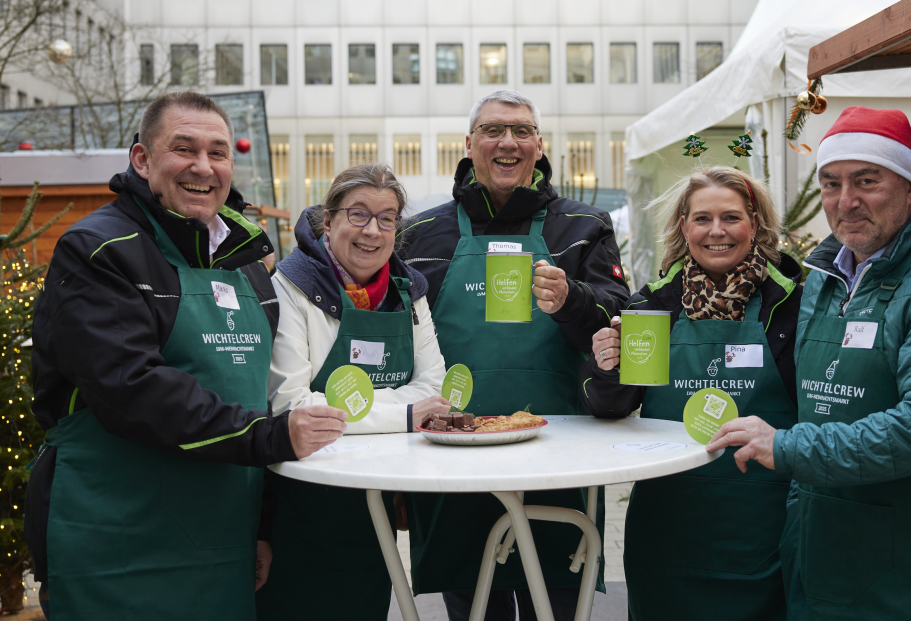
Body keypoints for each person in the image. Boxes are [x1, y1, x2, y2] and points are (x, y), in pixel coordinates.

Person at [24, 92, 348, 620]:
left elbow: (259, 395)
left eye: (218, 152)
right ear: (142, 160)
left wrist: (262, 526)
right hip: (116, 538)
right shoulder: (98, 249)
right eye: (184, 149)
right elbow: (131, 388)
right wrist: (268, 437)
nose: (204, 166)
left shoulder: (247, 265)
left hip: (222, 538)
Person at [708, 106, 911, 621]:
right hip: (828, 543)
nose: (845, 202)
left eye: (866, 181)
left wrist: (785, 446)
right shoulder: (824, 279)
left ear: (910, 188)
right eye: (830, 184)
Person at [398, 90, 630, 620]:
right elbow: (399, 337)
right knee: (473, 602)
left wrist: (572, 299)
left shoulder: (583, 227)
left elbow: (619, 318)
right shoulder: (418, 233)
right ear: (469, 144)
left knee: (558, 597)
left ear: (540, 145)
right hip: (451, 451)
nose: (509, 142)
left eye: (522, 131)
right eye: (494, 130)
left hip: (558, 448)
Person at [582, 166, 802, 620]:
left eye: (731, 217)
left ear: (755, 224)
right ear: (684, 227)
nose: (716, 231)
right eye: (702, 218)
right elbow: (613, 407)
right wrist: (607, 369)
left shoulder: (793, 303)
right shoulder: (651, 304)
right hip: (670, 527)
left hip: (764, 527)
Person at [256, 164, 450, 620]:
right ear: (330, 220)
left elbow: (435, 389)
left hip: (377, 499)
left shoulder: (408, 292)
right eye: (358, 214)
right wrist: (403, 414)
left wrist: (354, 412)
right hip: (303, 499)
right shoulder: (291, 285)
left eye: (387, 218)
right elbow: (294, 404)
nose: (372, 231)